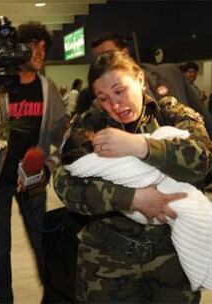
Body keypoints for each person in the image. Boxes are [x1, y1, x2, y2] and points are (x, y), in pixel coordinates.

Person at [53, 50, 211, 303]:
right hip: (106, 262)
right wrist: (132, 198)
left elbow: (202, 159)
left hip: (172, 260)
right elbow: (65, 186)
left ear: (139, 79)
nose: (114, 105)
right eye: (103, 98)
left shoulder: (170, 112)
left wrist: (140, 146)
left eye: (120, 90)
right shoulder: (88, 125)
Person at [0, 21, 66, 303]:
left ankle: (51, 296)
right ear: (17, 50)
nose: (39, 52)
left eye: (43, 47)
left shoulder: (48, 89)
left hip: (33, 182)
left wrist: (47, 167)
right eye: (33, 46)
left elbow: (63, 138)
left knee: (42, 244)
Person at [87, 32, 212, 138]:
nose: (101, 62)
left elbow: (203, 120)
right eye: (97, 59)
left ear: (124, 53)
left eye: (119, 91)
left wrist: (143, 147)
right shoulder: (98, 111)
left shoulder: (170, 75)